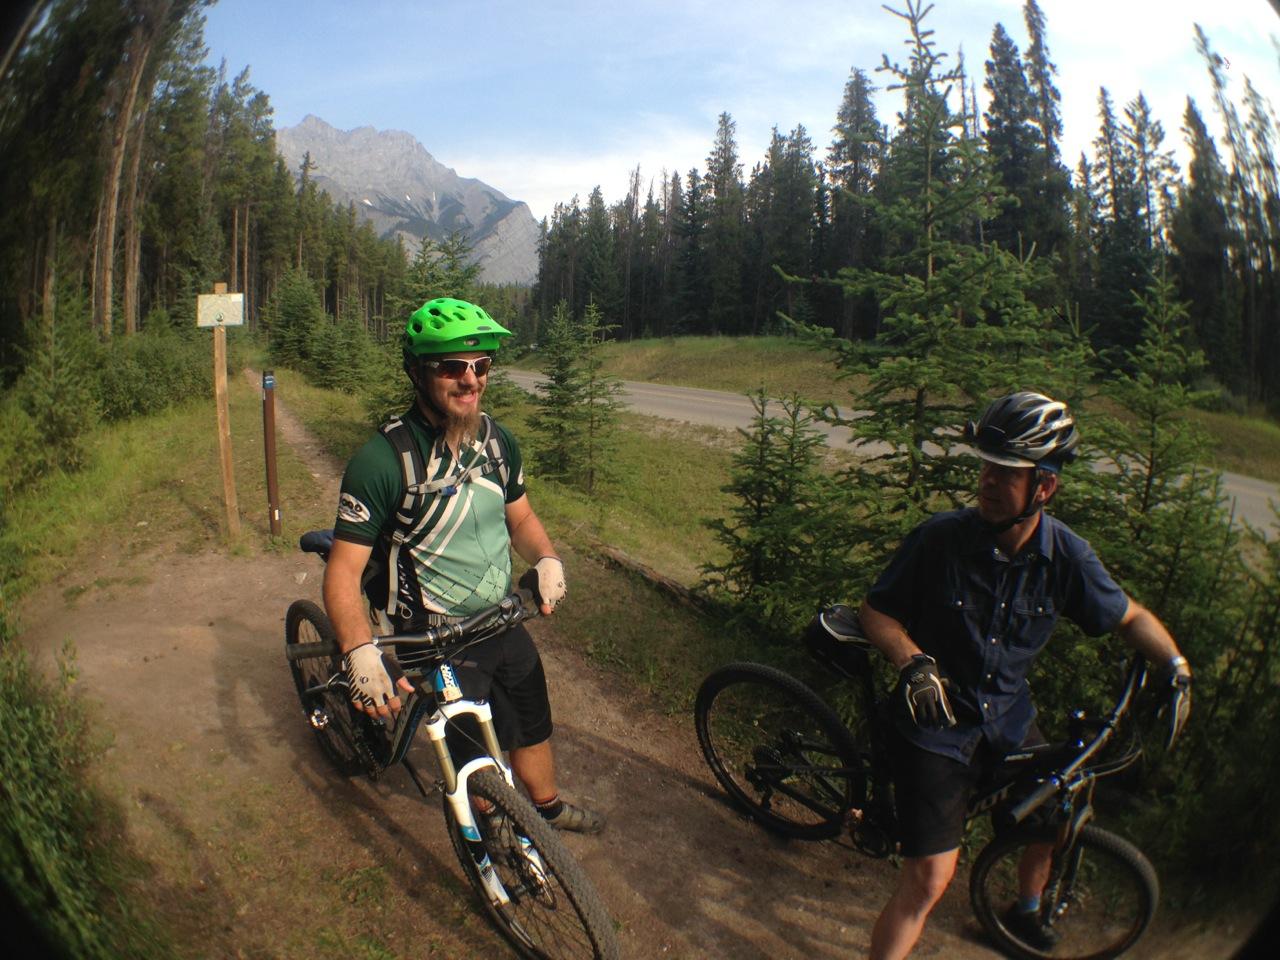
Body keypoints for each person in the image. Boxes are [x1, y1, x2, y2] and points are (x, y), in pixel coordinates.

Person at [858, 391, 1192, 960]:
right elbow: (876, 612)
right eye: (987, 466)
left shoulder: (1066, 557)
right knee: (930, 881)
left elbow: (1130, 616)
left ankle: (1024, 909)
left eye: (1006, 472)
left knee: (1058, 803)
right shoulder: (940, 539)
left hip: (1008, 718)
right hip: (937, 727)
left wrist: (1176, 667)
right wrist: (912, 664)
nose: (987, 481)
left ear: (1044, 487)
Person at [323, 296, 604, 834]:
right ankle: (493, 832)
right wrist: (358, 648)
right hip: (433, 636)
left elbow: (520, 518)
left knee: (531, 721)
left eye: (482, 366)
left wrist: (545, 557)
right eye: (453, 367)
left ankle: (544, 807)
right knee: (473, 755)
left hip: (500, 617)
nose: (470, 380)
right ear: (418, 372)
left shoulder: (497, 442)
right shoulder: (382, 461)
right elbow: (342, 571)